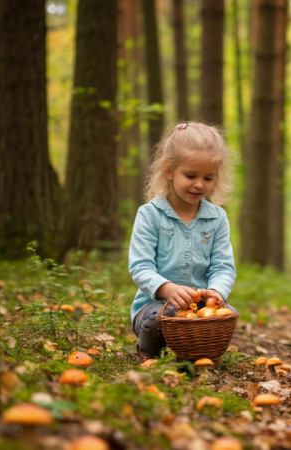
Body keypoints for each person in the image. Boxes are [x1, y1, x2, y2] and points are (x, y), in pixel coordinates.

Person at [128, 122, 237, 361]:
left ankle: (198, 355)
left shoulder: (217, 218)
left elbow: (223, 267)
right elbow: (140, 267)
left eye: (208, 178)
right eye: (190, 176)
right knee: (155, 319)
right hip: (154, 306)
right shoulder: (150, 215)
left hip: (200, 309)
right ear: (168, 170)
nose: (199, 184)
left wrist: (215, 292)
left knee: (228, 314)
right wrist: (168, 289)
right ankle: (149, 357)